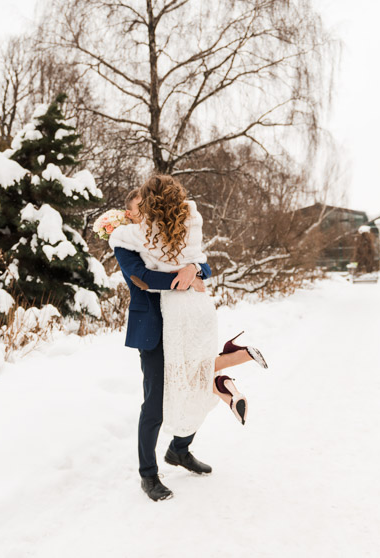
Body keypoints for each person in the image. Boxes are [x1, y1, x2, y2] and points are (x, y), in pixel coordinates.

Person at [110, 175, 267, 502]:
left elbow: (204, 265)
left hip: (185, 325)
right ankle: (148, 474)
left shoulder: (173, 234)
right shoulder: (127, 243)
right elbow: (141, 277)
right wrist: (185, 279)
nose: (148, 212)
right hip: (153, 331)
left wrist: (194, 270)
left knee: (195, 384)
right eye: (140, 209)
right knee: (154, 405)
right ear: (130, 214)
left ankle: (179, 450)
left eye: (149, 206)